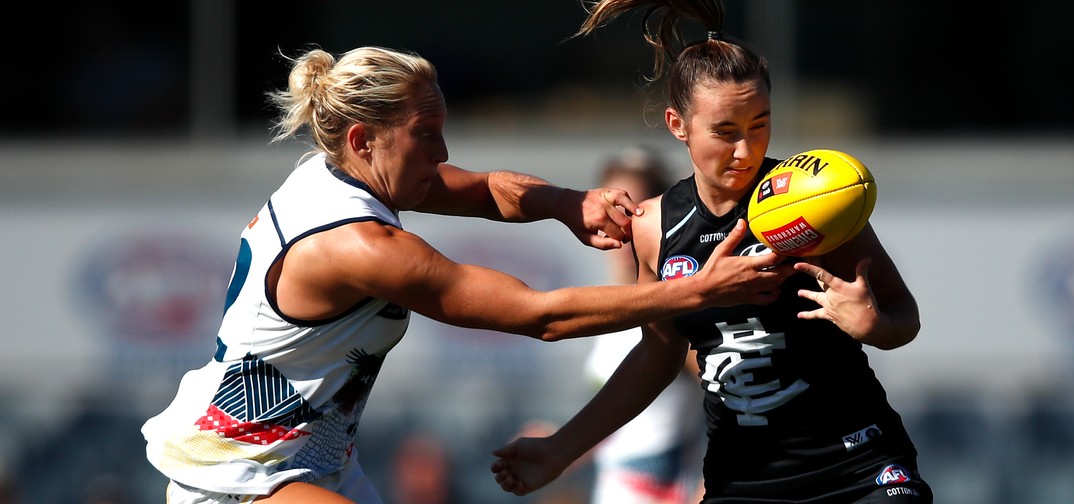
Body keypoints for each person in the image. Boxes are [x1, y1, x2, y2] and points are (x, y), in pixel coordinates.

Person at [139, 45, 790, 504]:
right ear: (366, 139)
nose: (443, 153)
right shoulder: (357, 244)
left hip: (312, 462)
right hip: (238, 471)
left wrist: (570, 203)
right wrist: (696, 290)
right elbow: (543, 316)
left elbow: (483, 190)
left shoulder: (337, 173)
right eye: (427, 135)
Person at [491, 1, 934, 502]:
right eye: (725, 132)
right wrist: (560, 449)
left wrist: (875, 324)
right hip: (742, 482)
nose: (745, 150)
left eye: (760, 125)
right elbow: (657, 356)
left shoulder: (813, 200)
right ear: (678, 125)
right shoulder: (655, 225)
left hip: (858, 467)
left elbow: (904, 314)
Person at [582, 146, 705, 504]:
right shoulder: (611, 301)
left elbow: (737, 398)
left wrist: (712, 484)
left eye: (633, 212)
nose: (619, 224)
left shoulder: (670, 307)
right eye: (610, 208)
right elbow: (626, 425)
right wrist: (558, 444)